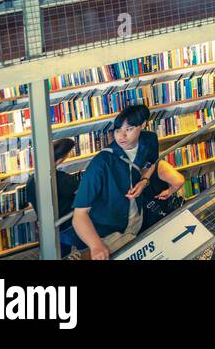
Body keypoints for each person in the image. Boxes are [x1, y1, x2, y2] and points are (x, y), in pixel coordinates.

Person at [71, 104, 185, 260]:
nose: (121, 137)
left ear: (142, 125)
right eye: (118, 131)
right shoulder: (101, 164)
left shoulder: (149, 139)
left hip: (137, 219)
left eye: (128, 130)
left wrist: (144, 180)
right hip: (110, 230)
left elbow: (151, 162)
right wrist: (96, 245)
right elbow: (79, 215)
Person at [23, 137, 81, 257]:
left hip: (48, 229)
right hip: (68, 225)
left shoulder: (31, 180)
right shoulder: (61, 179)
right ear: (60, 159)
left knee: (58, 254)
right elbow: (83, 194)